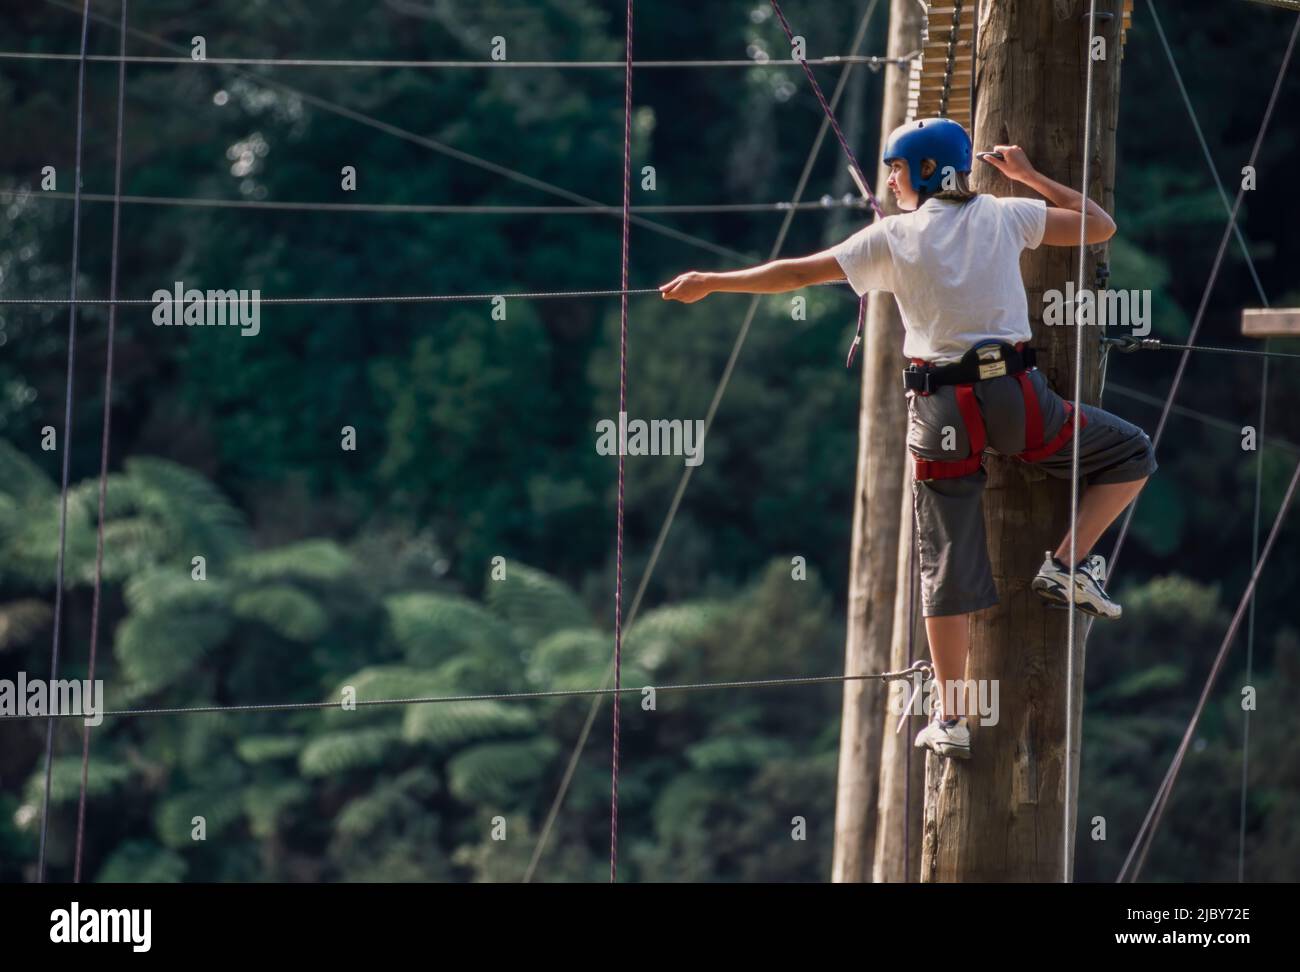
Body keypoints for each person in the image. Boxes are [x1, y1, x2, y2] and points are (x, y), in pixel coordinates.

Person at [659, 117, 1157, 761]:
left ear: (924, 171)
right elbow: (1099, 225)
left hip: (940, 409)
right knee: (1131, 451)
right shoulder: (1006, 216)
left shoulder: (892, 238)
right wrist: (1029, 175)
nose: (887, 180)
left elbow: (794, 274)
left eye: (894, 168)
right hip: (1016, 400)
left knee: (945, 562)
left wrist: (712, 282)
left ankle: (952, 717)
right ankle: (1065, 565)